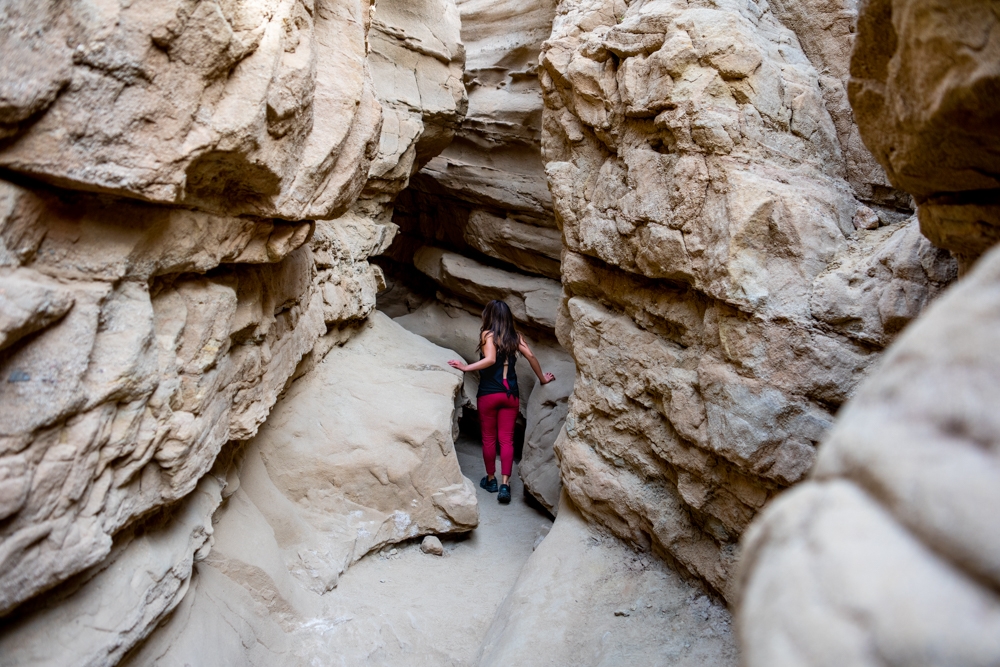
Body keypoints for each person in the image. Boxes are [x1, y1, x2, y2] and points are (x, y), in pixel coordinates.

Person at [448, 300, 555, 504]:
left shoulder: (487, 335)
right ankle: (505, 484)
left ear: (490, 316)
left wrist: (465, 367)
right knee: (507, 440)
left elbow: (489, 359)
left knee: (489, 439)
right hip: (510, 396)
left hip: (489, 394)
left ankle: (491, 480)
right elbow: (531, 356)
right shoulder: (515, 337)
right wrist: (543, 379)